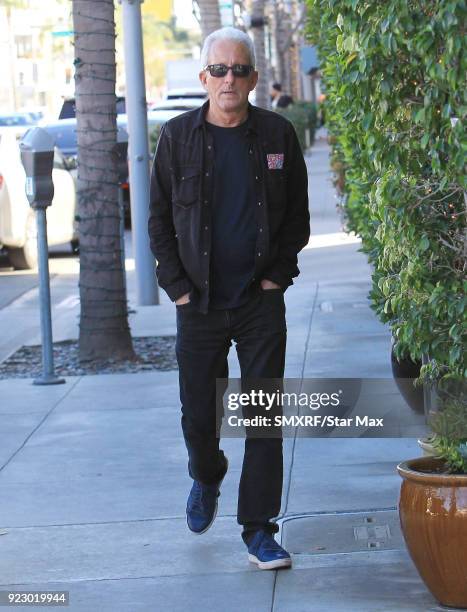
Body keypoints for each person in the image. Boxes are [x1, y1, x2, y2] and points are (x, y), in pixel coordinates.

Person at [148, 26, 310, 571]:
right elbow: (158, 222)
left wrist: (277, 276)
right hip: (199, 304)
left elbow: (297, 219)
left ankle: (260, 528)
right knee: (200, 416)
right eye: (219, 70)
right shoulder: (175, 138)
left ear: (253, 78)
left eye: (239, 69)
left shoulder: (277, 135)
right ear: (204, 78)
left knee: (263, 417)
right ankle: (206, 474)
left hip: (259, 301)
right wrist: (178, 289)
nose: (229, 80)